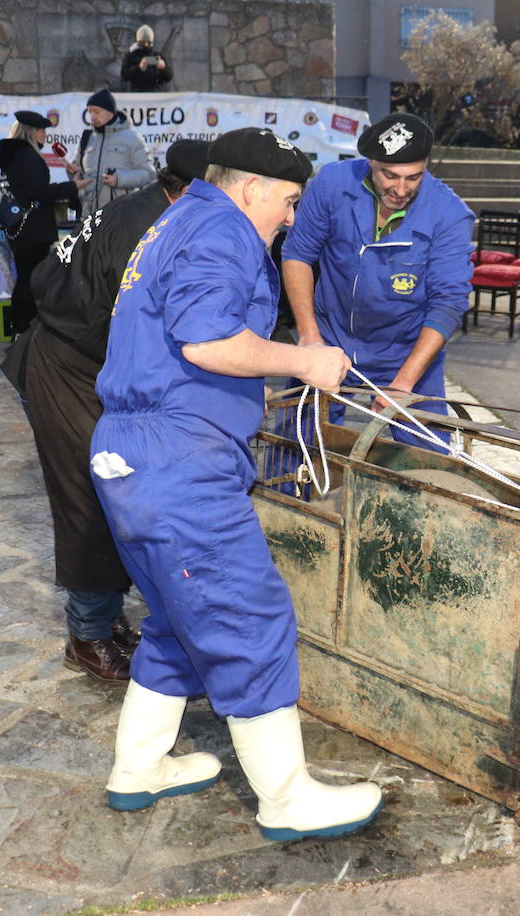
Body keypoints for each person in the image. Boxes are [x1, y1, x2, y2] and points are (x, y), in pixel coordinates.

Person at [90, 128, 383, 840]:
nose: (289, 218)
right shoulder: (224, 229)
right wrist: (303, 361)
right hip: (180, 461)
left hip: (128, 454)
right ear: (250, 186)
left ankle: (139, 768)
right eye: (286, 201)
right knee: (249, 619)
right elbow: (206, 340)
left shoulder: (177, 217)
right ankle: (287, 800)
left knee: (176, 620)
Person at [2, 139, 210, 685]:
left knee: (113, 496)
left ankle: (107, 621)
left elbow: (47, 277)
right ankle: (88, 636)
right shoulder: (146, 232)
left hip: (79, 355)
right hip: (65, 366)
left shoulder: (145, 208)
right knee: (90, 499)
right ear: (187, 191)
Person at [281, 113, 474, 451]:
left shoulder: (450, 214)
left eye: (414, 177)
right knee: (296, 447)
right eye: (390, 175)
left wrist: (405, 382)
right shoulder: (332, 185)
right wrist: (310, 338)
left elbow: (448, 303)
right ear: (371, 161)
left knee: (428, 462)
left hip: (405, 350)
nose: (401, 189)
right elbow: (297, 255)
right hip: (330, 338)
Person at [0, 110, 87, 336]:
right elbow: (40, 193)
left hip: (19, 226)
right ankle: (26, 328)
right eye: (43, 130)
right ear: (31, 131)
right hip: (32, 228)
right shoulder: (27, 156)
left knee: (26, 276)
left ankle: (20, 328)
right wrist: (73, 187)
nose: (46, 135)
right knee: (32, 279)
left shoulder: (12, 155)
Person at [65, 89, 156, 221]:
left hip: (121, 217)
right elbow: (78, 174)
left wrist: (119, 179)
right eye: (90, 112)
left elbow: (149, 173)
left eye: (97, 111)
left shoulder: (132, 138)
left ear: (111, 112)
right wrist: (72, 171)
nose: (92, 116)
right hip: (89, 219)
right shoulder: (86, 138)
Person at [121, 25, 173, 92]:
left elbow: (169, 77)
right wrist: (139, 68)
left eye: (148, 42)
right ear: (138, 41)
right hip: (137, 95)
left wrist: (163, 68)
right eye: (143, 42)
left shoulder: (158, 56)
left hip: (156, 95)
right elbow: (124, 75)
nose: (146, 44)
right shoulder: (131, 56)